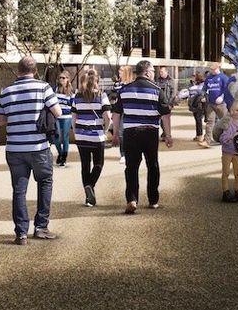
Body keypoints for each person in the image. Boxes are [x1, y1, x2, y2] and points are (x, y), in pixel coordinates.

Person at [0, 56, 62, 245]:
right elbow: (58, 112)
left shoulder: (6, 92)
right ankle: (41, 227)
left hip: (15, 147)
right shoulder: (43, 88)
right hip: (38, 147)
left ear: (18, 70)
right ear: (35, 71)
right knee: (45, 183)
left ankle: (21, 233)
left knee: (19, 190)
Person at [112, 60, 173, 214]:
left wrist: (115, 135)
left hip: (131, 133)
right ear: (146, 72)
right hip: (150, 132)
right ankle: (153, 200)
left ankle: (132, 199)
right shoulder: (157, 90)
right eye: (152, 70)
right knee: (152, 165)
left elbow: (117, 113)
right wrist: (168, 135)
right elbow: (165, 115)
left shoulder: (125, 90)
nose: (154, 73)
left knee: (131, 167)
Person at [73, 68, 111, 207]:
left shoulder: (77, 96)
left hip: (81, 135)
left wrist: (76, 131)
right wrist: (105, 130)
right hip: (96, 135)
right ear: (97, 81)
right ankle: (90, 185)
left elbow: (74, 117)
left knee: (85, 165)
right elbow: (107, 117)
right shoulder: (102, 96)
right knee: (98, 164)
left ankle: (89, 197)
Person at [217, 99, 238, 203]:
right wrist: (232, 136)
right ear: (231, 110)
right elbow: (222, 138)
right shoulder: (228, 123)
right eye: (236, 110)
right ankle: (225, 191)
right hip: (227, 152)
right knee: (225, 172)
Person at [204, 62, 228, 144]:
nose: (212, 71)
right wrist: (204, 95)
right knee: (209, 121)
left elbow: (227, 89)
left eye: (213, 69)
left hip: (221, 104)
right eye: (211, 69)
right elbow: (205, 88)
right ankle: (207, 140)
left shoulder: (223, 77)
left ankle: (228, 139)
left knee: (225, 121)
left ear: (218, 68)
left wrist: (222, 97)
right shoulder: (208, 78)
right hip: (211, 103)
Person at [53, 71, 74, 167]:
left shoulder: (71, 92)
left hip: (67, 117)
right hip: (57, 116)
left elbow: (73, 106)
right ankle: (60, 153)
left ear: (67, 79)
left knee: (65, 137)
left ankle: (64, 157)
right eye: (60, 77)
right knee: (56, 137)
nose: (61, 79)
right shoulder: (55, 89)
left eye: (63, 78)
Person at [188, 73, 208, 147]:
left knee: (198, 120)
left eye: (194, 77)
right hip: (197, 104)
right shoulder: (196, 85)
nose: (192, 78)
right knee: (198, 120)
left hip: (199, 104)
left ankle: (200, 136)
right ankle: (199, 135)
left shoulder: (200, 86)